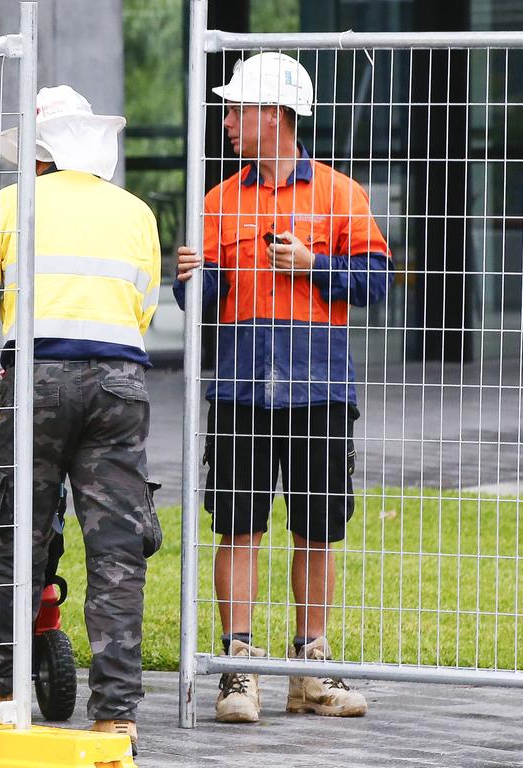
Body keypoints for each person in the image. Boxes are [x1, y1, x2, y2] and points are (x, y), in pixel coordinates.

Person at [175, 52, 393, 724]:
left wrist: (313, 264)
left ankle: (310, 669)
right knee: (238, 529)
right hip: (241, 388)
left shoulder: (339, 194)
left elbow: (377, 283)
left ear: (275, 115)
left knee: (316, 533)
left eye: (238, 110)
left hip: (320, 387)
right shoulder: (217, 201)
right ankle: (238, 669)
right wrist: (192, 277)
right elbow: (203, 303)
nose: (230, 122)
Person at [0, 85, 163, 753]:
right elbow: (143, 313)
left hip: (34, 381)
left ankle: (2, 692)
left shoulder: (9, 205)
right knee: (117, 552)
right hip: (120, 385)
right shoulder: (135, 213)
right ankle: (116, 713)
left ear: (36, 155)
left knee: (15, 538)